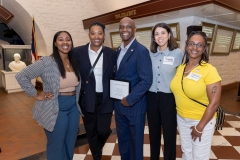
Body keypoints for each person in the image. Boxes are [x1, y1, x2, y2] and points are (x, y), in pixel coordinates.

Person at [16, 31, 81, 160]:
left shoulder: (74, 61)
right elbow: (21, 75)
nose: (65, 42)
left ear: (71, 43)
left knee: (70, 142)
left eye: (68, 39)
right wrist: (36, 94)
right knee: (56, 144)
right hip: (55, 106)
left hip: (73, 107)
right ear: (55, 44)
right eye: (61, 39)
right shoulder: (47, 61)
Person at [170, 31, 221, 160]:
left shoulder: (209, 70)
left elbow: (214, 103)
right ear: (186, 46)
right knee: (186, 152)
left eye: (199, 45)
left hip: (201, 120)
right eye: (191, 44)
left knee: (199, 157)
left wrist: (199, 127)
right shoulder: (180, 68)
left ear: (204, 49)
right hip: (181, 118)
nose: (195, 47)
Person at [73, 22, 117, 160]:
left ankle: (96, 150)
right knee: (91, 131)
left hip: (106, 99)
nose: (96, 36)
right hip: (87, 98)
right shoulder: (77, 52)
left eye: (99, 33)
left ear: (104, 35)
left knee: (104, 130)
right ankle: (97, 157)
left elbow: (116, 75)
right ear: (89, 35)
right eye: (93, 33)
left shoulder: (112, 53)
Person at [114, 17, 153, 160]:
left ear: (134, 29)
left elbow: (146, 80)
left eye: (128, 27)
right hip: (119, 106)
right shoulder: (118, 50)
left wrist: (129, 99)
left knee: (135, 144)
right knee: (123, 142)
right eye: (121, 27)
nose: (124, 30)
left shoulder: (141, 51)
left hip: (134, 106)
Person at [147, 22, 183, 160]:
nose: (159, 36)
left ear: (169, 35)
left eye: (163, 33)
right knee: (153, 133)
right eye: (156, 34)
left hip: (168, 98)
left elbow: (181, 76)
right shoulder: (150, 53)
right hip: (151, 98)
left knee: (169, 134)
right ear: (153, 37)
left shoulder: (177, 53)